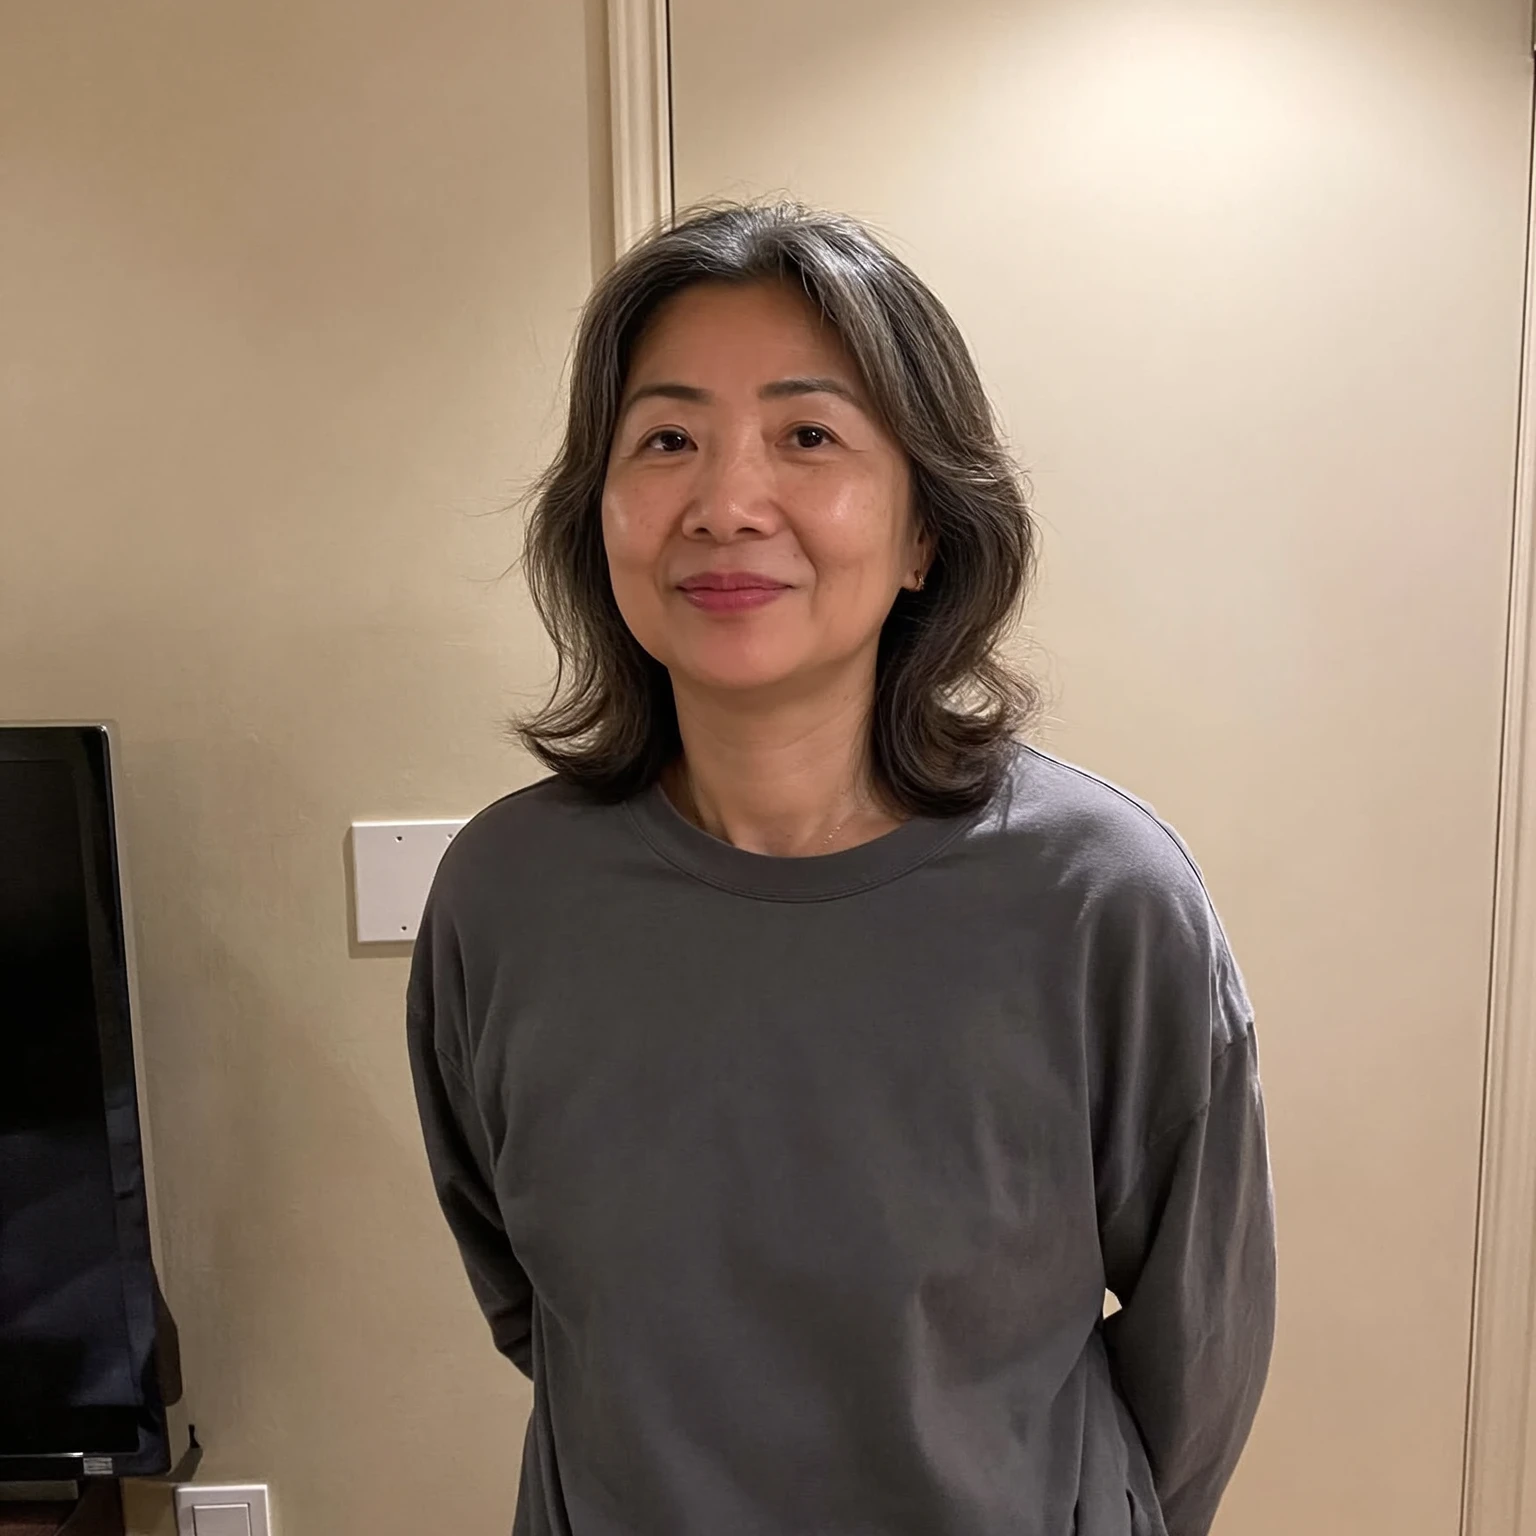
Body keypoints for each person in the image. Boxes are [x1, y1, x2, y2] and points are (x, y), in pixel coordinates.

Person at [406, 201, 1275, 1536]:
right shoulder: (505, 895)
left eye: (808, 436)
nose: (726, 505)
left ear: (926, 528)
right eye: (668, 440)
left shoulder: (1100, 898)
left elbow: (1197, 1351)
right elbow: (543, 1310)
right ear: (601, 514)